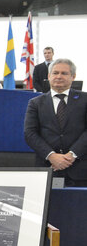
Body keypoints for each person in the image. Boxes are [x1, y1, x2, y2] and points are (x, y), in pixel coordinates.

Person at [24, 58, 87, 187]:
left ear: (73, 77)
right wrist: (52, 156)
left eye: (64, 73)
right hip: (48, 169)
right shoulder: (35, 103)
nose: (59, 76)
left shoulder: (85, 100)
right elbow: (30, 133)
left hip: (80, 170)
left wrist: (71, 155)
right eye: (55, 73)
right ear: (49, 76)